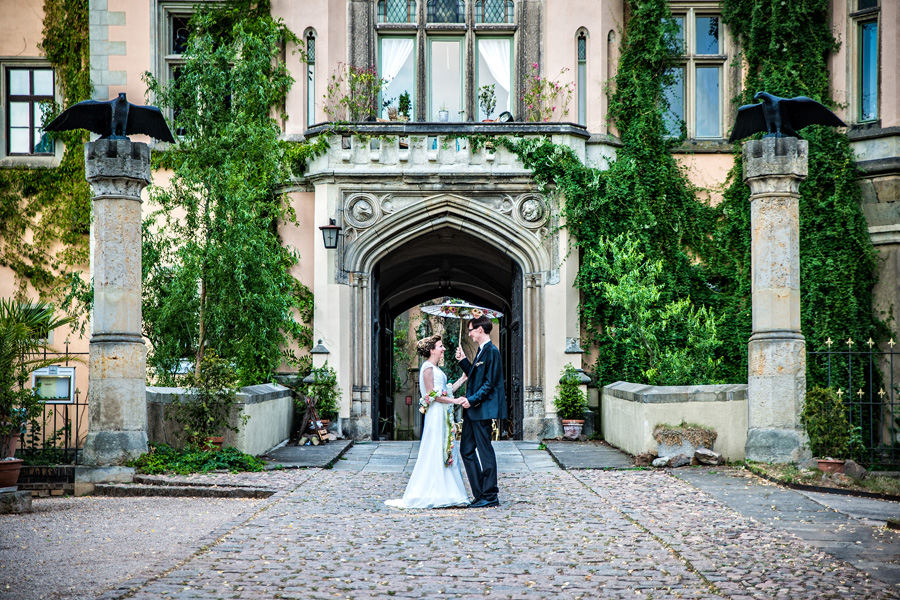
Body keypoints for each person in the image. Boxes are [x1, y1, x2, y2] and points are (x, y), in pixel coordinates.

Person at [386, 334, 469, 509]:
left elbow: (445, 391)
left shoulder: (436, 369)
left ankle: (449, 491)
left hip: (443, 413)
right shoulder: (427, 368)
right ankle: (436, 492)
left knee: (445, 448)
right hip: (436, 415)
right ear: (432, 350)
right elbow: (431, 395)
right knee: (436, 448)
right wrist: (455, 401)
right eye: (440, 346)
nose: (443, 349)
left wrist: (462, 379)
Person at [455, 314, 506, 508]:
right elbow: (475, 377)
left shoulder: (492, 352)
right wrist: (462, 361)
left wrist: (471, 400)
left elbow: (489, 384)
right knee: (466, 450)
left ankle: (490, 495)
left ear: (480, 330)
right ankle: (480, 493)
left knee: (485, 451)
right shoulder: (481, 351)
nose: (469, 334)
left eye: (470, 330)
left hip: (481, 409)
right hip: (473, 409)